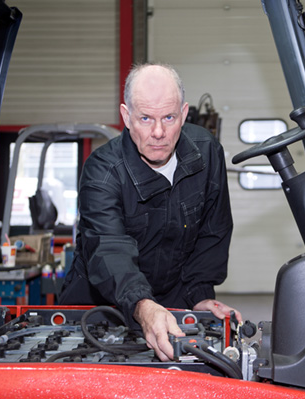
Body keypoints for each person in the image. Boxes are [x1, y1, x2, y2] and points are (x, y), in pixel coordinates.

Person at [59, 63, 242, 361]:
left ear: (183, 114)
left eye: (169, 118)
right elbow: (108, 249)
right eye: (145, 118)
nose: (158, 132)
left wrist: (201, 297)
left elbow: (213, 233)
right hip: (100, 307)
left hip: (171, 302)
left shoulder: (206, 153)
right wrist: (142, 304)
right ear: (126, 117)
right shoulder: (103, 171)